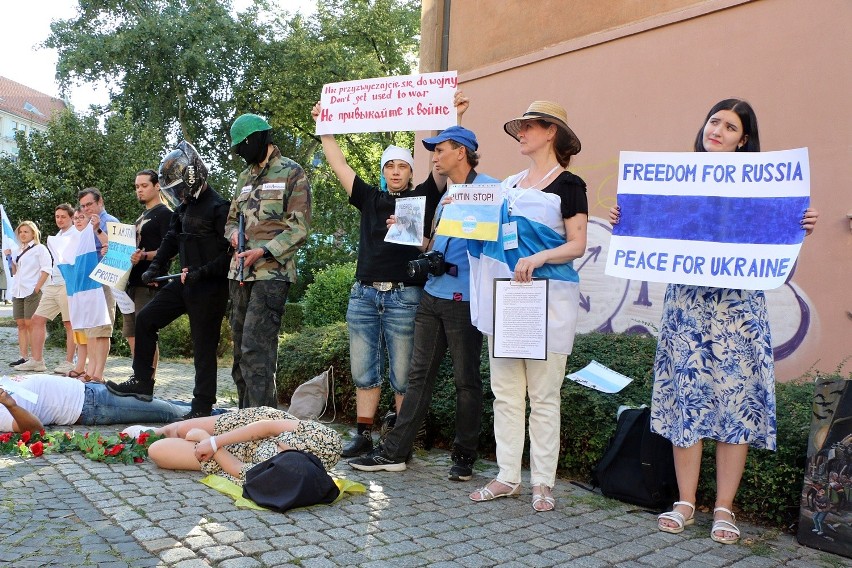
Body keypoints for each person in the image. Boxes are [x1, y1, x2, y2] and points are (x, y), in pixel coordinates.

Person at [610, 98, 820, 544]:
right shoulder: (677, 181)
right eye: (713, 121)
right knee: (688, 399)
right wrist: (627, 220)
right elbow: (650, 229)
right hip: (688, 307)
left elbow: (780, 234)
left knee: (736, 405)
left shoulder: (763, 191)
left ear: (743, 140)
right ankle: (685, 502)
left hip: (739, 312)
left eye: (729, 126)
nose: (717, 130)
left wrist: (798, 222)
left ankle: (724, 507)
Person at [350, 108, 498, 481]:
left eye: (440, 150)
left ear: (460, 152)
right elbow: (437, 246)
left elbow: (492, 246)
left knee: (466, 380)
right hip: (432, 294)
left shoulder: (488, 190)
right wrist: (413, 236)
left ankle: (464, 456)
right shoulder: (446, 195)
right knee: (418, 377)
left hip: (464, 299)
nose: (434, 157)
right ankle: (394, 452)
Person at [310, 101, 451, 458]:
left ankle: (399, 441)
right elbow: (338, 164)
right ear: (383, 170)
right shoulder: (370, 198)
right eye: (390, 165)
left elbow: (443, 164)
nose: (396, 170)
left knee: (403, 375)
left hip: (405, 297)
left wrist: (454, 116)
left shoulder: (423, 196)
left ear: (410, 170)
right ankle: (363, 435)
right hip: (364, 296)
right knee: (363, 370)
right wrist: (324, 125)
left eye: (403, 165)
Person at [467, 101, 588, 512]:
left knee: (544, 394)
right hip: (509, 298)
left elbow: (577, 244)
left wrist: (538, 258)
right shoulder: (508, 185)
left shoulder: (570, 185)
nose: (520, 132)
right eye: (518, 127)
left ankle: (542, 482)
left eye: (528, 126)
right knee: (505, 394)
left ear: (551, 131)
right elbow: (479, 227)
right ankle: (506, 476)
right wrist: (456, 214)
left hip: (549, 301)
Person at [106, 141, 231, 419]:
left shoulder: (219, 207)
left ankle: (201, 407)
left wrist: (202, 272)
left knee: (203, 346)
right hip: (185, 282)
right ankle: (142, 382)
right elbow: (172, 238)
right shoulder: (184, 208)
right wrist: (157, 265)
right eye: (173, 190)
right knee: (146, 318)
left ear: (194, 176)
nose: (178, 194)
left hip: (210, 286)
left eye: (179, 188)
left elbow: (228, 255)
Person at [225, 114, 311, 409]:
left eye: (243, 145)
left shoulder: (292, 172)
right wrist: (234, 235)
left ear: (260, 139)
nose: (240, 152)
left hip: (271, 275)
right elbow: (229, 222)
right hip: (239, 274)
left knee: (256, 350)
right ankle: (243, 419)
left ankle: (261, 426)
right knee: (239, 354)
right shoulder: (244, 177)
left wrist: (263, 251)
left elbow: (299, 228)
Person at [146, 407, 342, 485]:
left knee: (157, 450)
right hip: (251, 427)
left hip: (236, 455)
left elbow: (237, 468)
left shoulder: (285, 477)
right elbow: (268, 426)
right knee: (181, 429)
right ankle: (157, 430)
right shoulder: (326, 441)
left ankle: (163, 436)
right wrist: (215, 440)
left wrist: (205, 440)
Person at [0, 374, 190, 433]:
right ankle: (218, 418)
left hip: (88, 389)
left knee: (168, 405)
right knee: (172, 412)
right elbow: (33, 429)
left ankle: (207, 410)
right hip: (92, 406)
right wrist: (11, 405)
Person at [17, 204, 78, 374]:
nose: (59, 219)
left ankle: (70, 362)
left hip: (68, 283)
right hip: (53, 284)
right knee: (37, 319)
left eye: (63, 216)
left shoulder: (76, 233)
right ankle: (37, 361)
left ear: (71, 217)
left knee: (69, 323)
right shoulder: (58, 235)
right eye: (57, 216)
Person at [124, 169, 171, 359]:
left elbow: (170, 250)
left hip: (150, 282)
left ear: (157, 186)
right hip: (132, 282)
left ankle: (146, 381)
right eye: (137, 187)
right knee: (131, 333)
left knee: (146, 333)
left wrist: (143, 256)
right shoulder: (141, 217)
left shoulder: (165, 214)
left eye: (144, 186)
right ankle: (137, 375)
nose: (139, 190)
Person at [77, 188, 119, 383]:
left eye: (89, 204)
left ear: (99, 201)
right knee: (92, 328)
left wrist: (98, 229)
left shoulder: (109, 221)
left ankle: (98, 374)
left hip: (105, 278)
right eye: (83, 206)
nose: (86, 209)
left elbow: (118, 249)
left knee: (101, 327)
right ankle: (90, 370)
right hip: (90, 282)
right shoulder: (86, 225)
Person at [4, 221, 52, 369]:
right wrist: (9, 258)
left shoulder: (40, 249)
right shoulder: (17, 250)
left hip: (31, 291)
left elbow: (46, 270)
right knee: (21, 325)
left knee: (32, 324)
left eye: (26, 232)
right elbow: (14, 271)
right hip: (18, 291)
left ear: (33, 233)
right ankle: (23, 357)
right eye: (21, 232)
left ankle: (35, 357)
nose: (23, 234)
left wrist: (36, 289)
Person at [66, 207, 90, 379]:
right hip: (75, 289)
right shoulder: (72, 239)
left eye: (82, 217)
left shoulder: (91, 236)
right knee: (79, 329)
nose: (78, 220)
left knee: (92, 331)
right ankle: (80, 365)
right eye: (75, 218)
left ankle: (93, 368)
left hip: (91, 289)